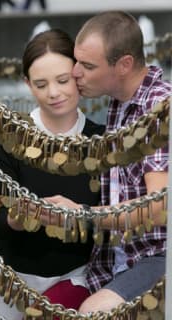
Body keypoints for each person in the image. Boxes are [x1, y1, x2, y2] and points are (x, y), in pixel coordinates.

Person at [44, 11, 171, 313]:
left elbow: (158, 208)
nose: (75, 72)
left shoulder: (158, 108)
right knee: (43, 306)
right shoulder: (121, 101)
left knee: (93, 312)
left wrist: (82, 215)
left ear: (124, 65)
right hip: (115, 258)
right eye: (77, 61)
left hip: (158, 257)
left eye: (87, 66)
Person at [0, 29, 105, 320]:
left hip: (75, 275)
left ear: (78, 74)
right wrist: (18, 217)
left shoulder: (103, 141)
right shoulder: (7, 138)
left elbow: (114, 219)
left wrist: (78, 214)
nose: (53, 93)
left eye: (63, 80)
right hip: (10, 276)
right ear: (27, 84)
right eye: (41, 84)